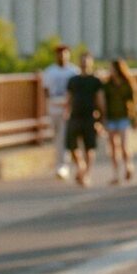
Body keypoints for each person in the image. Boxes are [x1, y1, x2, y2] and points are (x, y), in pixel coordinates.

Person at [65, 52, 106, 187]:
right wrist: (66, 111)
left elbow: (100, 101)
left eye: (86, 61)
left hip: (90, 117)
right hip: (75, 116)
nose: (84, 63)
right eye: (82, 61)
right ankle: (81, 167)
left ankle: (87, 173)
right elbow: (69, 98)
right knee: (72, 145)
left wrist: (101, 119)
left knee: (89, 147)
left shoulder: (95, 81)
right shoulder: (73, 80)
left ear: (91, 63)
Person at [42, 44, 79, 180]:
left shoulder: (74, 71)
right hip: (53, 109)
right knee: (56, 137)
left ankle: (63, 166)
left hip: (67, 109)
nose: (62, 56)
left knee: (63, 137)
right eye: (59, 54)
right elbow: (45, 91)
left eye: (64, 54)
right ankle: (60, 164)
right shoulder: (50, 71)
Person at [103, 58, 137, 185]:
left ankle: (128, 165)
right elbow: (103, 102)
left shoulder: (126, 83)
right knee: (113, 147)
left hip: (123, 117)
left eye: (112, 68)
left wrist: (134, 117)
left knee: (124, 145)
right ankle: (115, 174)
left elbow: (133, 101)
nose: (110, 71)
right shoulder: (107, 85)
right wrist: (103, 118)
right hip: (111, 118)